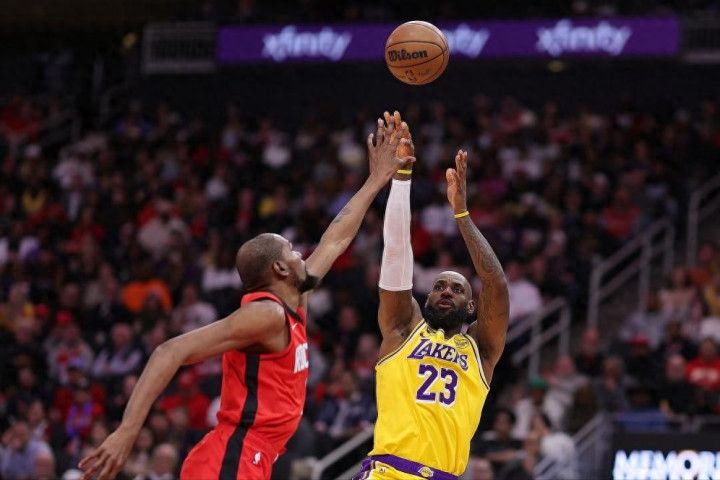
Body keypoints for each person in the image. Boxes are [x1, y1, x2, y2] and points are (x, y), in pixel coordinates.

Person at [78, 117, 414, 480]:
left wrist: (377, 180)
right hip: (232, 456)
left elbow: (335, 239)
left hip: (251, 456)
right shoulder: (267, 315)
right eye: (291, 251)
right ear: (279, 269)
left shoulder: (295, 299)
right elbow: (169, 351)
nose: (301, 254)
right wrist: (127, 431)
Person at [355, 113, 509, 480]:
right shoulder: (402, 329)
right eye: (439, 286)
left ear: (470, 307)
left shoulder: (481, 350)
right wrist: (402, 179)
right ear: (425, 299)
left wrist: (462, 214)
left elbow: (496, 284)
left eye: (456, 289)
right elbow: (395, 253)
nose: (445, 291)